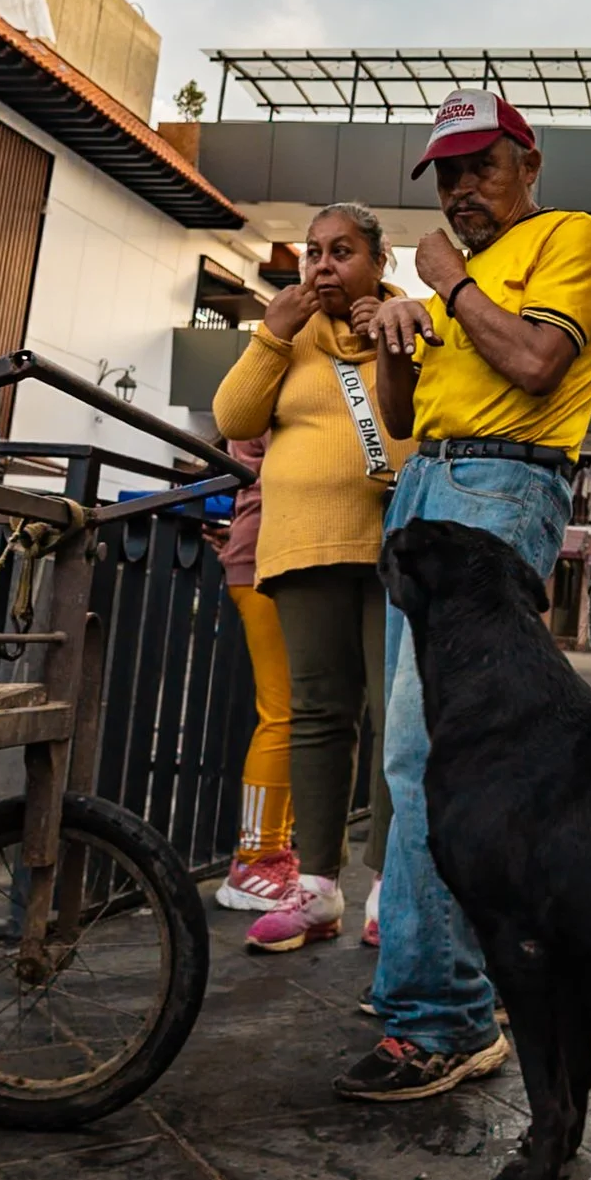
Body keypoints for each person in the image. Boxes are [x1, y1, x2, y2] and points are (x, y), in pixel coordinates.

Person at [338, 88, 591, 1102]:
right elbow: (411, 413)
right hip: (433, 479)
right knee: (428, 758)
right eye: (447, 174)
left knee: (432, 759)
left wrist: (448, 284)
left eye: (480, 166)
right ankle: (459, 987)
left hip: (500, 482)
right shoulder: (469, 279)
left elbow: (538, 364)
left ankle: (439, 1014)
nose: (462, 189)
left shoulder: (568, 240)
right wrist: (396, 341)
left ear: (528, 160)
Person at [212, 203, 410, 952]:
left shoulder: (408, 322)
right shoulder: (286, 339)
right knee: (319, 715)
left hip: (391, 547)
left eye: (343, 251)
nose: (324, 265)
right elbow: (234, 413)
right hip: (301, 547)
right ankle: (319, 888)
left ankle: (390, 890)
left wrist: (396, 329)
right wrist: (271, 330)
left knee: (397, 721)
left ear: (378, 261)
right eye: (313, 253)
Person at [213, 435, 300, 913]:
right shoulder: (283, 369)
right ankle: (255, 858)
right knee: (284, 714)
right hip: (271, 556)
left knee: (295, 715)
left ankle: (270, 852)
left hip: (269, 551)